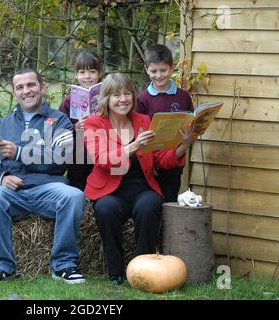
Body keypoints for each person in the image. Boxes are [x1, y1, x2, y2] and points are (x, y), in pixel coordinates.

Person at [83, 73, 197, 284]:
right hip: (109, 190)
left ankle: (141, 270)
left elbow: (161, 159)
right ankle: (115, 271)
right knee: (105, 210)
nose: (123, 99)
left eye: (127, 93)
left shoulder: (143, 121)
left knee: (150, 205)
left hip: (141, 188)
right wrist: (133, 147)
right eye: (116, 95)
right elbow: (102, 159)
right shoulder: (94, 124)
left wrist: (184, 145)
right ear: (106, 98)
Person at [0, 68, 86, 284]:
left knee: (73, 196)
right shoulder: (2, 125)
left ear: (42, 87)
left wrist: (19, 153)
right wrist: (2, 177)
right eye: (20, 87)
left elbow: (60, 160)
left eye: (31, 85)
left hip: (49, 190)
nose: (26, 91)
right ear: (14, 93)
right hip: (13, 192)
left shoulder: (60, 121)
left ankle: (63, 265)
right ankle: (2, 265)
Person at [136, 44, 194, 202]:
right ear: (146, 69)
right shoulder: (142, 99)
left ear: (172, 67)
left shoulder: (183, 97)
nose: (159, 75)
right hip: (152, 164)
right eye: (153, 71)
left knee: (170, 201)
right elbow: (138, 131)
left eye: (163, 70)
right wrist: (148, 162)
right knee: (153, 203)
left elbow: (190, 122)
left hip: (175, 160)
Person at [58, 50, 102, 190]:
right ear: (76, 75)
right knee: (76, 182)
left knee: (100, 180)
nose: (87, 76)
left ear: (99, 73)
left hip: (102, 148)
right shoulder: (68, 101)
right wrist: (75, 127)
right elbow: (59, 127)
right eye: (82, 72)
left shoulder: (108, 97)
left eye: (92, 71)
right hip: (78, 152)